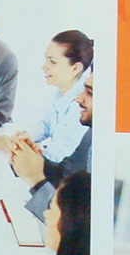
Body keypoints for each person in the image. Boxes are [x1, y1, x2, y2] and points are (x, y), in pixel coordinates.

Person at [0, 29, 90, 163]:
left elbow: (56, 158)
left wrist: (7, 144)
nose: (44, 66)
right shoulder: (62, 92)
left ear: (76, 68)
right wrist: (17, 138)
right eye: (46, 59)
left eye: (52, 62)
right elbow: (46, 125)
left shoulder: (80, 107)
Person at [13, 72, 92, 221]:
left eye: (90, 93)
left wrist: (36, 180)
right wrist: (34, 160)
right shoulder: (92, 134)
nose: (78, 98)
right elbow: (65, 173)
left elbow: (71, 225)